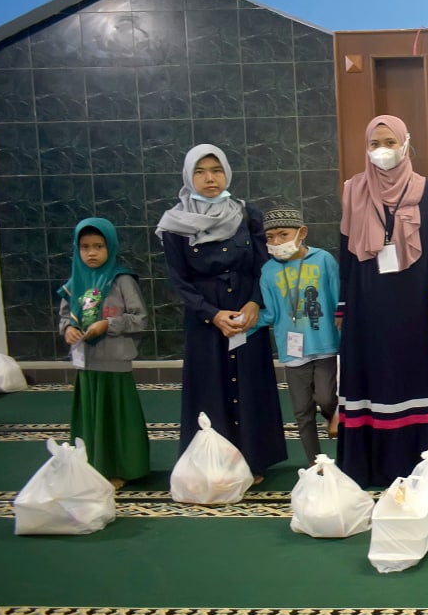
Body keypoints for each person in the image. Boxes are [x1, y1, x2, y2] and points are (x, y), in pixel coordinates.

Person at [157, 145, 286, 483]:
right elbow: (179, 281)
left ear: (227, 172)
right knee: (210, 387)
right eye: (200, 172)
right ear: (189, 177)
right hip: (205, 318)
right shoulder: (174, 224)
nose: (210, 178)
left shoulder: (246, 214)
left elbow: (264, 265)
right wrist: (212, 314)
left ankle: (253, 459)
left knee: (249, 383)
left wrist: (255, 303)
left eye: (216, 170)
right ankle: (212, 463)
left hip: (246, 313)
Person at [337, 115, 428, 486]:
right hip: (367, 301)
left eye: (390, 142)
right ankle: (371, 465)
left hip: (414, 302)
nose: (382, 151)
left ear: (405, 144)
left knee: (414, 373)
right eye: (375, 144)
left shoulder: (425, 189)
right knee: (374, 374)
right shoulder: (353, 189)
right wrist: (343, 303)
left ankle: (421, 460)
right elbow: (345, 249)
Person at [58, 217, 150, 489]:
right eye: (85, 247)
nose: (92, 253)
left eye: (99, 246)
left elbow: (140, 318)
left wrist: (108, 324)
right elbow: (65, 316)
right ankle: (93, 466)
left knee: (116, 417)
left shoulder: (121, 280)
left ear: (111, 247)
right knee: (91, 418)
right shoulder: (74, 282)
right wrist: (68, 329)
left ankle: (122, 467)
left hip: (115, 361)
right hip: (87, 364)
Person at [257, 207, 340, 466]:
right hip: (292, 351)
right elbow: (270, 313)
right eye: (270, 237)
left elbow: (338, 299)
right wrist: (242, 324)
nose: (276, 242)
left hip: (325, 344)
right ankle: (315, 464)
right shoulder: (268, 271)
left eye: (283, 234)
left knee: (327, 397)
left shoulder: (323, 260)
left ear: (301, 233)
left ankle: (334, 420)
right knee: (302, 412)